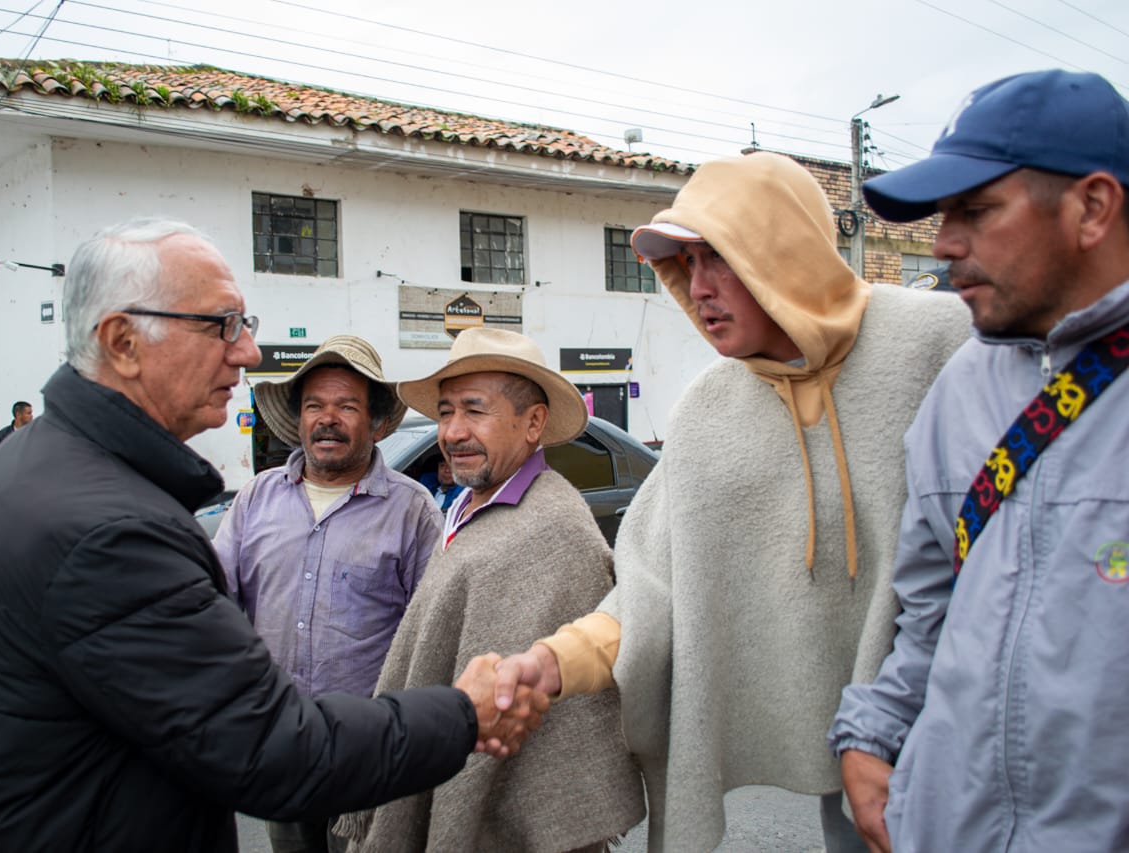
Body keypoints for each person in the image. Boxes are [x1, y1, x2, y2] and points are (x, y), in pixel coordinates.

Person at [0, 218, 546, 852]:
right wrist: (465, 715)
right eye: (222, 325)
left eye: (246, 327)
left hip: (357, 758)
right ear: (123, 341)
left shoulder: (44, 469)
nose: (245, 353)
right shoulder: (113, 529)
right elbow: (269, 744)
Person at [481, 151, 972, 852]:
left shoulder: (939, 342)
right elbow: (653, 588)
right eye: (686, 263)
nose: (699, 287)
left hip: (975, 729)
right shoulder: (706, 411)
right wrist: (553, 661)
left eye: (720, 258)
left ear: (785, 253)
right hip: (855, 769)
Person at [829, 69, 1129, 852]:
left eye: (976, 209)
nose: (942, 242)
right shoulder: (960, 387)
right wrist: (874, 729)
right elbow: (932, 607)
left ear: (1092, 207)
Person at [336, 328, 646, 852]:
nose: (453, 432)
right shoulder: (463, 504)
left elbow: (568, 719)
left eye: (474, 411)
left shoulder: (556, 526)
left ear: (533, 423)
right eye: (445, 411)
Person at [213, 334, 442, 853]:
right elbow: (216, 602)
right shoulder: (257, 498)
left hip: (371, 752)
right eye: (314, 405)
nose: (327, 419)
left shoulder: (412, 510)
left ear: (378, 422)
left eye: (346, 406)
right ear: (298, 419)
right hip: (282, 742)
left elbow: (431, 634)